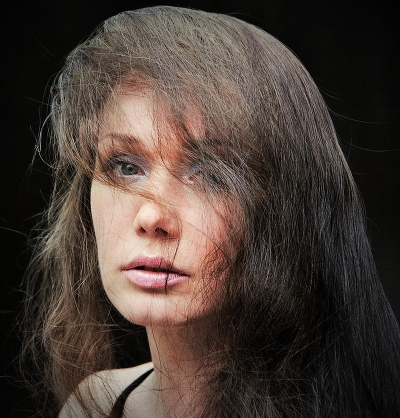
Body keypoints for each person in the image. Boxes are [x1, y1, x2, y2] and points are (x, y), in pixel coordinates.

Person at [21, 5, 400, 418]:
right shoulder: (94, 404)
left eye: (210, 175)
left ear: (282, 213)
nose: (152, 218)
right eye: (126, 167)